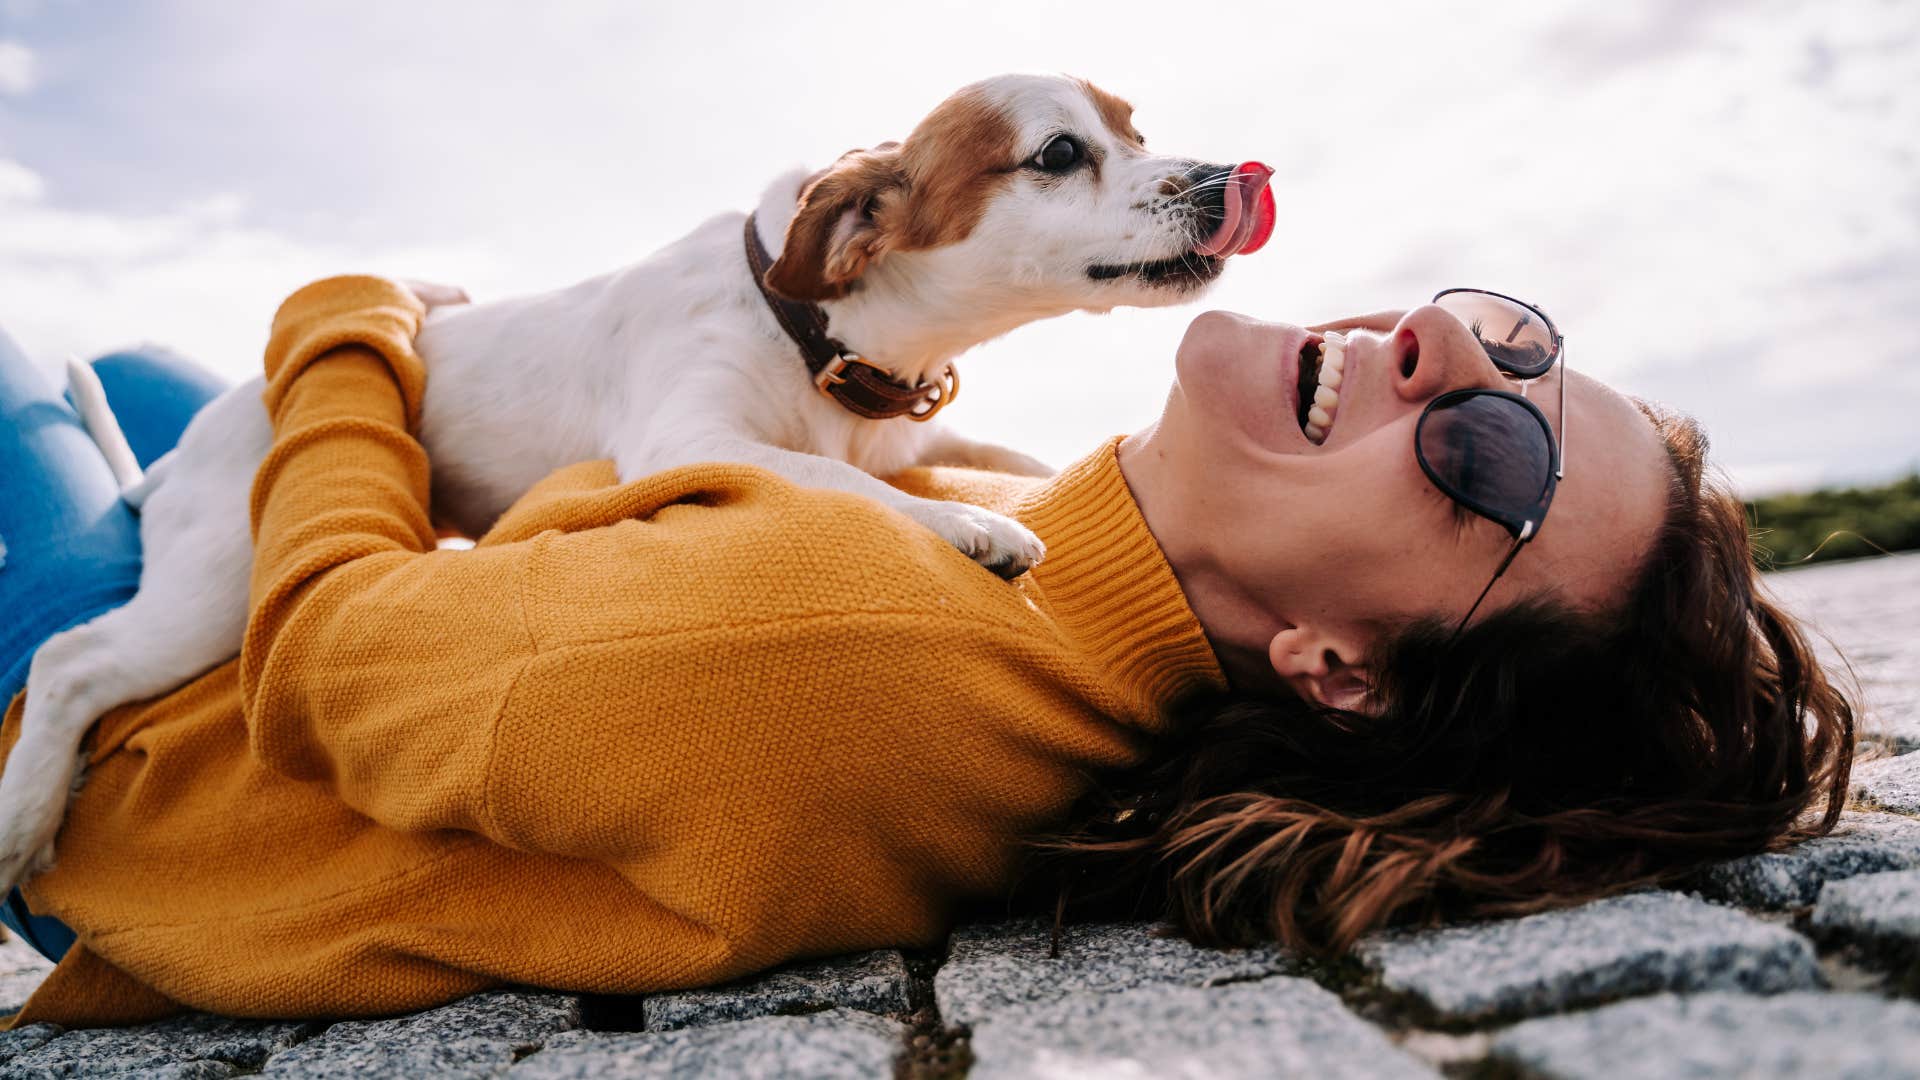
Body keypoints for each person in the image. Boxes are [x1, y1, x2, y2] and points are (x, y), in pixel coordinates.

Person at [0, 277, 1851, 1028]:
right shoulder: (1031, 546)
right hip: (226, 652)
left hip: (139, 782)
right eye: (1508, 340)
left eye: (1488, 462)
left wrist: (351, 329)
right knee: (165, 394)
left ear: (1336, 669)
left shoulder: (839, 645)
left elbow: (331, 655)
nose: (1449, 361)